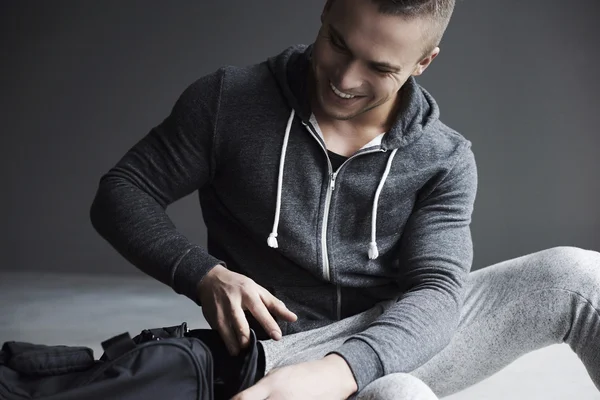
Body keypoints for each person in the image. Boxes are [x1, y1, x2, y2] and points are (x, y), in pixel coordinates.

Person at [90, 0, 600, 398]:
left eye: (379, 68)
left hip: (395, 342)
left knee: (579, 277)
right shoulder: (230, 101)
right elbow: (122, 191)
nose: (344, 79)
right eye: (337, 43)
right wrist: (204, 275)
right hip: (279, 356)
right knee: (399, 395)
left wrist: (342, 371)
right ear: (325, 11)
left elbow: (438, 292)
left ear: (424, 61)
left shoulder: (442, 157)